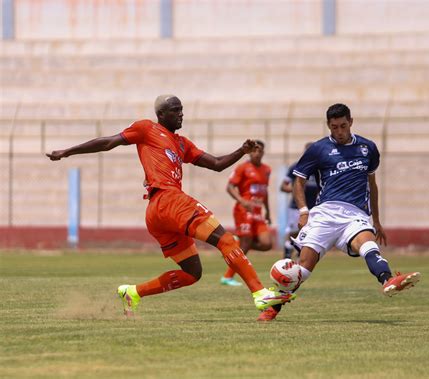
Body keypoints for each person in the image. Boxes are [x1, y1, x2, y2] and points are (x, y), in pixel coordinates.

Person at [46, 94, 295, 318]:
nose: (181, 114)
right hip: (167, 199)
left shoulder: (182, 144)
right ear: (161, 114)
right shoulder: (146, 128)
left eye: (182, 109)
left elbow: (217, 164)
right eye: (175, 110)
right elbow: (108, 142)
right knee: (226, 240)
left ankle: (132, 292)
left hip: (158, 212)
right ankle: (260, 293)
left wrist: (242, 150)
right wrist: (68, 151)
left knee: (192, 272)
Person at [258, 103, 421, 321]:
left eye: (343, 126)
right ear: (328, 125)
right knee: (304, 268)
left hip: (355, 213)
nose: (340, 132)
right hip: (324, 214)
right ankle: (272, 309)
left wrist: (377, 220)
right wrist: (304, 211)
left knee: (368, 245)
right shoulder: (318, 149)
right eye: (334, 127)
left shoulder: (368, 148)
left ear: (351, 122)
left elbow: (372, 184)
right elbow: (299, 181)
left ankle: (388, 280)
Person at [220, 140, 273, 286]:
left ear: (263, 152)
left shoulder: (267, 169)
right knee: (247, 242)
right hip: (244, 210)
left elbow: (265, 191)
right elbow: (230, 187)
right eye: (254, 150)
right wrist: (242, 201)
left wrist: (267, 210)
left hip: (258, 212)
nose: (256, 153)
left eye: (259, 151)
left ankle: (239, 243)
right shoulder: (242, 168)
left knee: (267, 244)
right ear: (251, 152)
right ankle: (227, 277)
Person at [280, 142, 320, 260]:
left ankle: (300, 259)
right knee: (293, 233)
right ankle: (286, 258)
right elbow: (283, 186)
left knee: (307, 234)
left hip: (313, 208)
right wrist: (298, 189)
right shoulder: (297, 167)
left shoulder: (320, 169)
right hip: (296, 207)